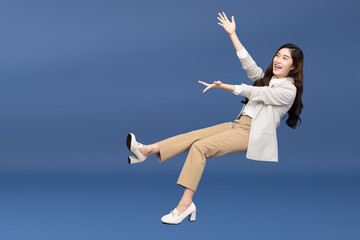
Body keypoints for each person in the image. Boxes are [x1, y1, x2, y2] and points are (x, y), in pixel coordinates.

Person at [126, 11, 304, 224]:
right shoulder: (268, 78)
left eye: (285, 58)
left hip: (252, 134)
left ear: (293, 66)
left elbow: (257, 93)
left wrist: (224, 87)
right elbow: (249, 65)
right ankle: (145, 151)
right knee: (193, 137)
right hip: (237, 125)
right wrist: (232, 34)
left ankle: (185, 205)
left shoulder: (288, 90)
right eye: (277, 55)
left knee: (200, 148)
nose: (278, 59)